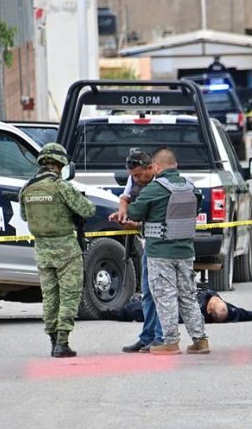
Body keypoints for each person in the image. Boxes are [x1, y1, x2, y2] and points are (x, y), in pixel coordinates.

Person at [126, 147, 209, 355]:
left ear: (156, 166)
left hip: (160, 252)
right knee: (188, 296)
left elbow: (135, 212)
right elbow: (196, 210)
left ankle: (170, 342)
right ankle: (200, 340)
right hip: (185, 251)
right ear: (176, 165)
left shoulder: (155, 189)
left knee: (165, 297)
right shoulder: (191, 188)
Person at [20, 142, 96, 358]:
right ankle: (62, 342)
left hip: (42, 249)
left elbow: (25, 216)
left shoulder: (28, 187)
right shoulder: (61, 186)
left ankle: (53, 340)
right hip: (66, 249)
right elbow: (88, 210)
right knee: (69, 295)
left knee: (50, 296)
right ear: (61, 163)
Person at [108, 149, 164, 353]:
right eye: (133, 176)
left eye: (139, 175)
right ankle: (148, 337)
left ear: (152, 168)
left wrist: (135, 223)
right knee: (148, 293)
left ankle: (161, 338)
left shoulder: (162, 183)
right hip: (150, 242)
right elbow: (126, 198)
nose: (136, 179)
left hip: (164, 246)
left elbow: (159, 217)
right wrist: (122, 214)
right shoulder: (136, 179)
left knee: (161, 294)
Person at [102, 287, 252, 324]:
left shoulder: (195, 312)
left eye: (214, 302)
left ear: (208, 310)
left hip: (168, 302)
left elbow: (168, 315)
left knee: (134, 310)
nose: (216, 299)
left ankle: (106, 312)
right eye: (218, 300)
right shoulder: (225, 308)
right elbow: (248, 314)